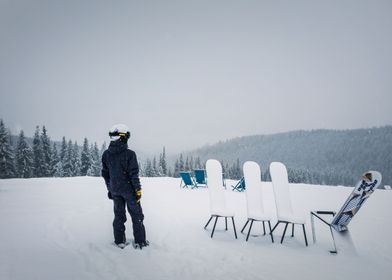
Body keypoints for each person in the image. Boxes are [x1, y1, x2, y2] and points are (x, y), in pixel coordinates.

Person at [101, 124, 149, 249]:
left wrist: (110, 188)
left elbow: (105, 174)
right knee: (137, 215)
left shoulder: (106, 154)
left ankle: (119, 241)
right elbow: (134, 174)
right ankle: (140, 241)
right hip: (129, 191)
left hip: (116, 190)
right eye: (127, 136)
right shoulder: (129, 154)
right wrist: (138, 190)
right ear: (122, 137)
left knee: (119, 216)